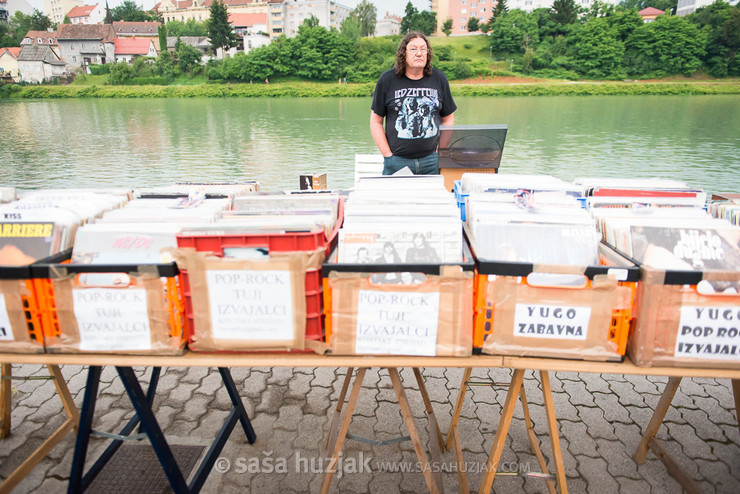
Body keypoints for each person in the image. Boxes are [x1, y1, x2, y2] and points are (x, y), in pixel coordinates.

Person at [370, 31, 457, 175]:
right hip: (397, 161)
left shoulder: (439, 79)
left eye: (423, 49)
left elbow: (448, 118)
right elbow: (376, 121)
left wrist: (439, 151)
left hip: (431, 161)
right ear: (403, 53)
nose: (419, 53)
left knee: (431, 198)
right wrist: (388, 155)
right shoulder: (387, 80)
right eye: (413, 49)